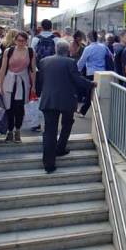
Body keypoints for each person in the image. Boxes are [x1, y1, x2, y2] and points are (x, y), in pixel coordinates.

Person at [37, 39, 94, 172]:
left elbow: (41, 79)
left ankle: (48, 164)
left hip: (48, 100)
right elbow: (77, 79)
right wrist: (91, 84)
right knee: (67, 124)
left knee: (49, 131)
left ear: (56, 49)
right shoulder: (70, 62)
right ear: (67, 51)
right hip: (67, 100)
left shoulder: (44, 61)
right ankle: (60, 148)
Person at [0, 30, 36, 142]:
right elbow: (3, 69)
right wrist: (0, 85)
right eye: (19, 40)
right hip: (9, 81)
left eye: (23, 41)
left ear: (26, 41)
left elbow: (32, 70)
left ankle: (17, 130)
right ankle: (9, 131)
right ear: (15, 40)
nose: (21, 43)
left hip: (23, 82)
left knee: (20, 107)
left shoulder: (31, 51)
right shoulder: (9, 51)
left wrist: (33, 86)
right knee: (9, 107)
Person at [77, 30, 114, 116]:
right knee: (100, 93)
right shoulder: (103, 47)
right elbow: (111, 57)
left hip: (91, 73)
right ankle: (89, 111)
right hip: (103, 73)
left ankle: (83, 112)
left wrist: (77, 70)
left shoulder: (88, 48)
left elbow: (82, 61)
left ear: (88, 38)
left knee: (90, 93)